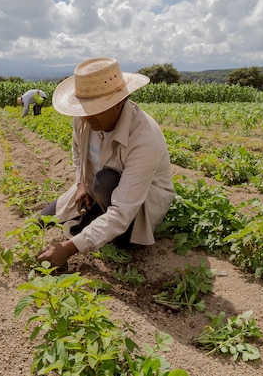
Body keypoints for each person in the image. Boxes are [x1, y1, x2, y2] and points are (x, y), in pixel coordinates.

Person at [36, 57, 175, 268]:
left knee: (105, 181)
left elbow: (121, 213)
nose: (85, 116)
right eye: (83, 108)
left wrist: (70, 248)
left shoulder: (144, 139)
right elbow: (77, 149)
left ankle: (119, 238)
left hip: (137, 205)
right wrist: (81, 183)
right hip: (95, 189)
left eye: (94, 108)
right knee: (41, 220)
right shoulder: (84, 118)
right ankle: (94, 217)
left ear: (118, 104)